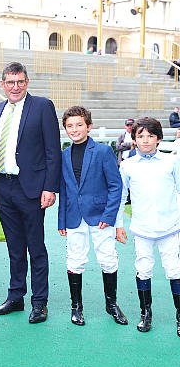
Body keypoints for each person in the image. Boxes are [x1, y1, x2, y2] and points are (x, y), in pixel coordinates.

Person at [0, 62, 61, 323]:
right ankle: (16, 296)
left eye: (20, 82)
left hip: (31, 188)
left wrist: (50, 187)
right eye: (10, 82)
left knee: (35, 248)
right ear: (3, 84)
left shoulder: (42, 106)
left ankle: (39, 303)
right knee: (14, 247)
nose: (15, 87)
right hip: (3, 187)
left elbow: (53, 150)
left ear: (27, 82)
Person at [57, 106, 128, 327]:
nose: (74, 129)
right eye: (70, 126)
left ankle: (111, 304)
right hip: (74, 217)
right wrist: (61, 220)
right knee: (75, 259)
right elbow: (64, 190)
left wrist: (109, 215)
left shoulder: (103, 151)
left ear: (89, 126)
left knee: (108, 258)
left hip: (100, 217)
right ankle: (76, 307)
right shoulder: (64, 155)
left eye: (79, 125)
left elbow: (116, 186)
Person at [119, 117, 180, 337]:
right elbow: (121, 196)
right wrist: (118, 225)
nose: (146, 140)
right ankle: (146, 313)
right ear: (134, 139)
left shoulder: (171, 162)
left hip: (170, 227)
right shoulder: (127, 165)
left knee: (174, 269)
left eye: (150, 136)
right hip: (142, 229)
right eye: (141, 136)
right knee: (143, 269)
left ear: (159, 139)